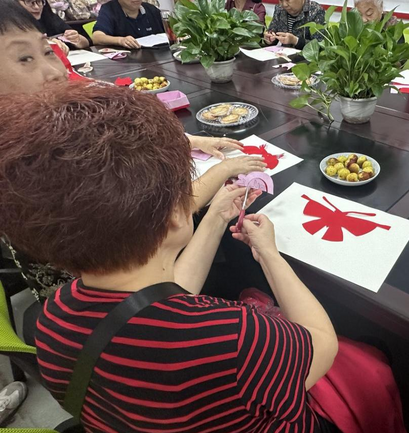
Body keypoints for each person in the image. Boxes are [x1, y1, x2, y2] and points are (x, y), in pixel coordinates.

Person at [0, 83, 407, 433]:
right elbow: (321, 344)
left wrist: (214, 218)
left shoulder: (51, 318)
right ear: (177, 214)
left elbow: (153, 300)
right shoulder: (235, 338)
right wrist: (269, 254)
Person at [0, 0, 266, 302]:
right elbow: (165, 224)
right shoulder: (32, 173)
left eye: (48, 51)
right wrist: (222, 171)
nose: (55, 72)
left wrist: (190, 142)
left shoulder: (53, 135)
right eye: (24, 58)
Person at [16, 0, 90, 50]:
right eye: (29, 2)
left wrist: (77, 39)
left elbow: (85, 43)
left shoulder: (49, 17)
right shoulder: (12, 25)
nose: (37, 7)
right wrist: (47, 43)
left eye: (39, 1)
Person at [92, 0, 165, 49]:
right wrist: (120, 40)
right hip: (125, 62)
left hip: (155, 58)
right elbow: (97, 37)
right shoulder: (109, 9)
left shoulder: (151, 9)